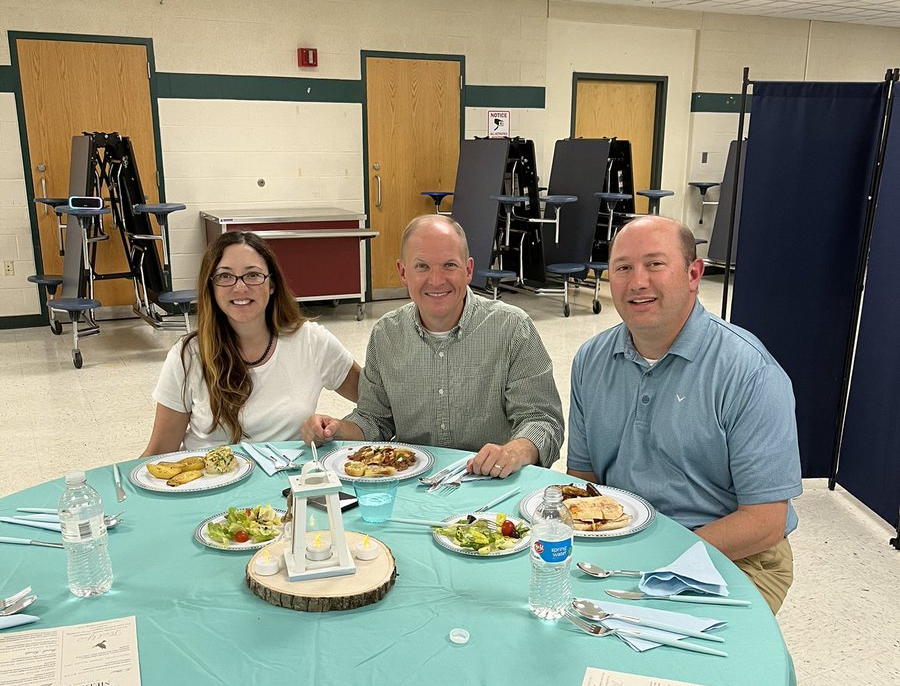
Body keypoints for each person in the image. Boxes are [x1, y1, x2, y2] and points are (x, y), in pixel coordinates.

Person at [567, 215, 801, 614]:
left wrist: (661, 557)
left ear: (694, 274)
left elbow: (765, 522)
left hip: (733, 554)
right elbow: (584, 481)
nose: (637, 282)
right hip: (622, 542)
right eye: (623, 268)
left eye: (655, 264)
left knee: (672, 650)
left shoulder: (748, 372)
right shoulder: (591, 360)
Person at [302, 215, 563, 476]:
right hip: (412, 484)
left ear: (468, 270)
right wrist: (336, 429)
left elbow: (542, 421)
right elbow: (374, 419)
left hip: (492, 483)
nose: (436, 280)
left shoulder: (512, 329)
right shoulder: (386, 335)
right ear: (403, 272)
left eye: (449, 265)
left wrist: (513, 452)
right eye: (422, 266)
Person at [143, 231, 360, 454]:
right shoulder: (188, 355)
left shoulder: (312, 341)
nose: (240, 287)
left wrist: (338, 428)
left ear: (272, 284)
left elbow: (376, 403)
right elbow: (159, 451)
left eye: (253, 275)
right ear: (211, 287)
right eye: (225, 276)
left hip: (290, 475)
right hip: (209, 476)